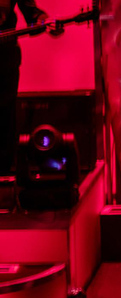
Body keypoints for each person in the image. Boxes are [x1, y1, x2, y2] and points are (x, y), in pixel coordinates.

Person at [0, 0, 48, 178]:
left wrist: (44, 21)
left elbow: (32, 14)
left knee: (4, 121)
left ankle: (2, 183)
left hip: (4, 60)